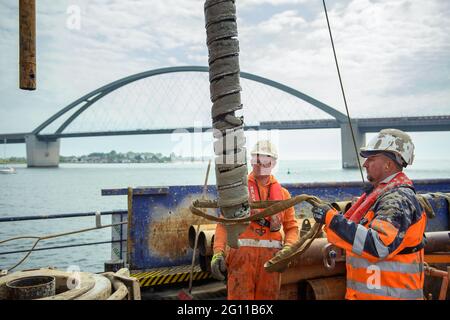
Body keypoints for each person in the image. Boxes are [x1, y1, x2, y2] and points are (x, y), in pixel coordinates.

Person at [311, 128, 427, 300]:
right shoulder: (380, 196)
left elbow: (378, 245)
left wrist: (331, 219)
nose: (365, 164)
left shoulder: (397, 199)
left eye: (371, 159)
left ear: (388, 164)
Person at [210, 140, 299, 300]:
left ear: (273, 163)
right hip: (241, 261)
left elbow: (291, 228)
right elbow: (224, 224)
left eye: (266, 160)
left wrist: (289, 249)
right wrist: (218, 252)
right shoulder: (239, 193)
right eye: (257, 160)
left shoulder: (283, 195)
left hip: (271, 263)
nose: (260, 165)